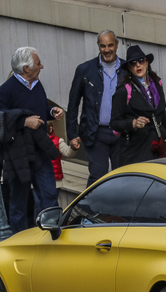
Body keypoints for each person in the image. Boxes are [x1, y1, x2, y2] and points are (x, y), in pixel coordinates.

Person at [0, 46, 63, 234]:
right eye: (38, 64)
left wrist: (51, 112)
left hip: (41, 152)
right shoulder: (7, 90)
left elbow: (39, 108)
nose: (42, 66)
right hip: (19, 155)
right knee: (18, 203)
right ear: (26, 68)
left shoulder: (37, 84)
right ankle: (19, 243)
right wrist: (24, 122)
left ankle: (52, 237)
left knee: (49, 198)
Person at [67, 30, 124, 186]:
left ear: (117, 45)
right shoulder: (85, 70)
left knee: (122, 177)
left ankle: (118, 210)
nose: (107, 50)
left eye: (110, 45)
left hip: (122, 134)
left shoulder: (127, 69)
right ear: (98, 47)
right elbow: (73, 104)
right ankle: (89, 209)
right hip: (95, 132)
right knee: (98, 176)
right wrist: (72, 134)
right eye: (103, 46)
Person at [110, 45, 166, 167]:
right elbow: (114, 122)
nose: (138, 65)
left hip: (157, 146)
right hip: (135, 149)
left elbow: (162, 115)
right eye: (133, 63)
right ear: (129, 68)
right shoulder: (124, 90)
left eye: (141, 61)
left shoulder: (157, 84)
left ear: (147, 63)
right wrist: (133, 123)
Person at [48, 121, 80, 195]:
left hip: (55, 181)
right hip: (38, 180)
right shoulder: (33, 140)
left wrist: (73, 148)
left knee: (51, 203)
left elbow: (68, 152)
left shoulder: (58, 141)